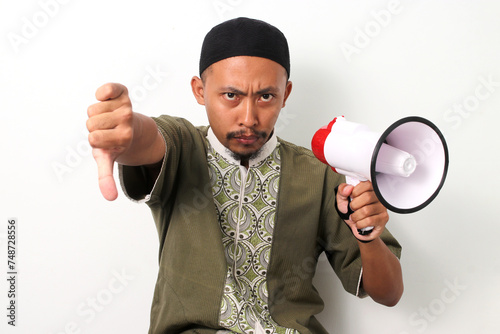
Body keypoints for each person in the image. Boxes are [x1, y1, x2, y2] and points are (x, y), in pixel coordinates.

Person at [86, 17, 403, 334]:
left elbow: (388, 293)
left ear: (285, 93)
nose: (249, 118)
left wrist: (369, 237)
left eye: (266, 96)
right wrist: (126, 133)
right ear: (200, 90)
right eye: (230, 95)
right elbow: (150, 140)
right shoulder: (184, 147)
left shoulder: (319, 176)